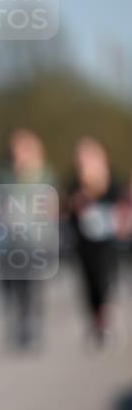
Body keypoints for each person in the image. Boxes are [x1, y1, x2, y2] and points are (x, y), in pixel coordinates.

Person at [0, 129, 57, 351]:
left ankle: (32, 326)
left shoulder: (44, 175)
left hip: (36, 241)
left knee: (33, 284)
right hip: (10, 241)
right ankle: (19, 323)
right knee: (13, 286)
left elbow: (51, 205)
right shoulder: (4, 176)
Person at [67, 137, 124, 344]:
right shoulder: (74, 184)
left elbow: (121, 206)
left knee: (106, 281)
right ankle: (96, 323)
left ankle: (107, 320)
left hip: (108, 242)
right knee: (89, 284)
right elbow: (68, 210)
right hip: (84, 244)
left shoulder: (113, 181)